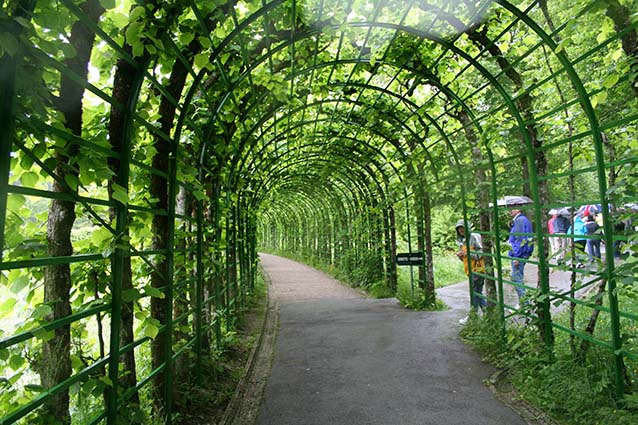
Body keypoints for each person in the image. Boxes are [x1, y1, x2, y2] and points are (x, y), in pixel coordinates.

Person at [454, 219, 486, 325]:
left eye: (462, 228)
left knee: (475, 293)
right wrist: (461, 255)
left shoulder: (474, 237)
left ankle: (472, 317)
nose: (460, 230)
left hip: (478, 269)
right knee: (478, 293)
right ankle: (488, 314)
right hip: (470, 270)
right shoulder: (462, 240)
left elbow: (481, 254)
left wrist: (466, 253)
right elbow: (465, 257)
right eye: (459, 229)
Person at [508, 208, 533, 307]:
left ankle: (525, 304)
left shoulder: (520, 220)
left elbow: (519, 240)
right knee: (517, 277)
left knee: (516, 278)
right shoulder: (521, 220)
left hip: (519, 254)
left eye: (512, 207)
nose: (509, 210)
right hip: (522, 253)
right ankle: (524, 303)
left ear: (518, 209)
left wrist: (516, 256)